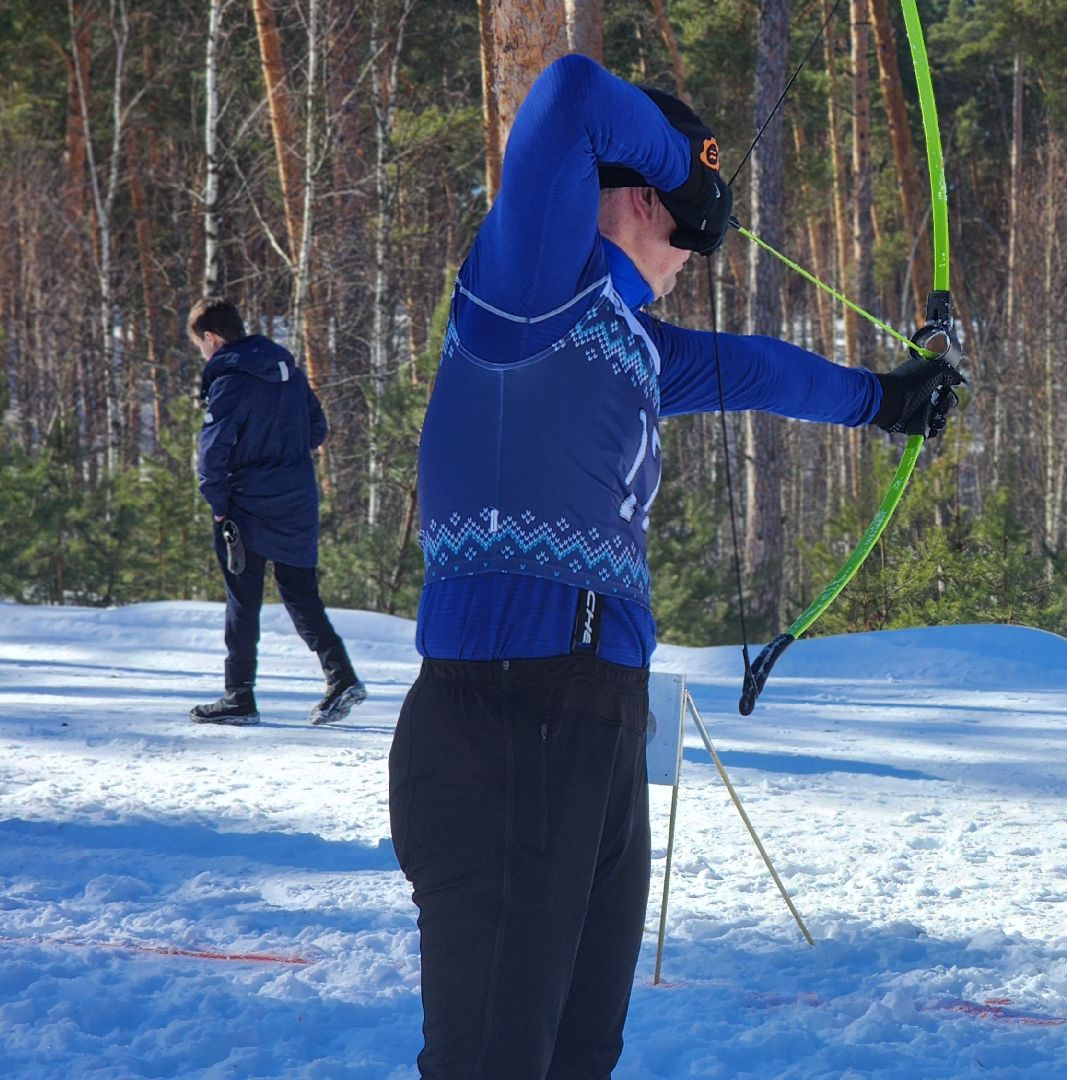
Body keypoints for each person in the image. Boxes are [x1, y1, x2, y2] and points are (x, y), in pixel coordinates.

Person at [387, 55, 962, 1079]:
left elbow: (754, 369)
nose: (697, 247)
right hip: (506, 716)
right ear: (644, 195)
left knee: (578, 1058)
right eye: (682, 213)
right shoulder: (529, 292)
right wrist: (690, 163)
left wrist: (885, 399)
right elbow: (568, 96)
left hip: (599, 725)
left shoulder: (632, 343)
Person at [188, 297, 367, 727]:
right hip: (297, 498)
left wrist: (218, 502)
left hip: (246, 505)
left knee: (243, 602)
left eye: (199, 345)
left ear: (211, 338)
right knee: (301, 594)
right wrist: (281, 459)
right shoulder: (288, 370)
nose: (202, 353)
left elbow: (212, 453)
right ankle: (341, 677)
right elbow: (317, 428)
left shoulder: (230, 380)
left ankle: (239, 696)